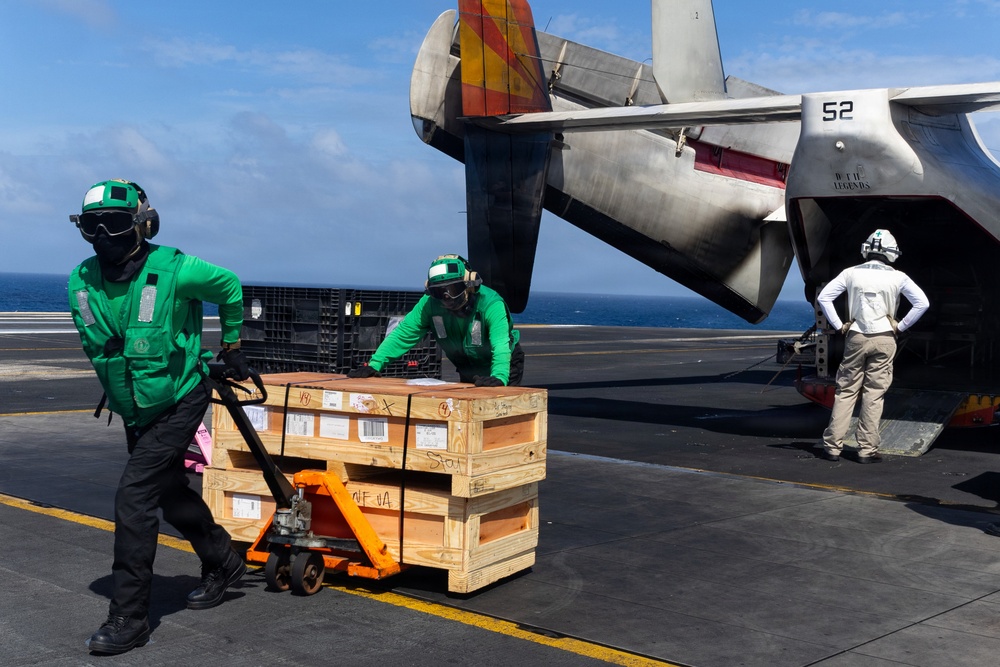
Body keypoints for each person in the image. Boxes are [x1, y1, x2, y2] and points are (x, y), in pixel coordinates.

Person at [67, 179, 251, 654]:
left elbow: (229, 286)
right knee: (167, 490)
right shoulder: (81, 281)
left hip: (179, 399)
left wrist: (230, 344)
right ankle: (222, 558)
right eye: (92, 226)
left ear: (142, 225)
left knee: (135, 496)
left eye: (114, 223)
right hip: (134, 407)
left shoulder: (175, 270)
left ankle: (129, 616)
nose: (104, 235)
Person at [816, 229, 929, 464]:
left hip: (856, 336)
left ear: (866, 250)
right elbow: (922, 303)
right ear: (892, 253)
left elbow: (824, 298)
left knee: (846, 392)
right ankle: (866, 450)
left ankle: (832, 448)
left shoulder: (850, 273)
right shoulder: (899, 277)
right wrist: (901, 326)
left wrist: (839, 326)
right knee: (874, 395)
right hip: (885, 337)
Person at [348, 254, 524, 386]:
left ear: (469, 284)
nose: (447, 298)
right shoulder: (430, 304)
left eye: (453, 289)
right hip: (467, 367)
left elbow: (500, 344)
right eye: (439, 292)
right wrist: (375, 365)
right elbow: (403, 334)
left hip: (503, 366)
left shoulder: (491, 303)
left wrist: (499, 378)